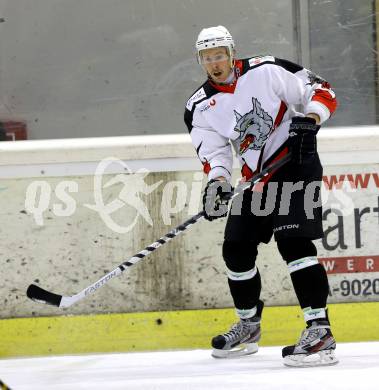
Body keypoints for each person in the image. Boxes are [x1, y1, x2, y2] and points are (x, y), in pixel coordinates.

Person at [184, 26, 338, 367]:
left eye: (220, 54)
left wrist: (309, 121)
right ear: (201, 61)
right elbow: (215, 154)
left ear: (231, 52)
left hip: (295, 163)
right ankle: (249, 324)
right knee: (236, 248)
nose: (215, 62)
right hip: (256, 178)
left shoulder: (266, 69)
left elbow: (322, 90)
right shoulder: (199, 107)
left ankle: (320, 330)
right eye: (207, 58)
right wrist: (218, 183)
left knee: (294, 244)